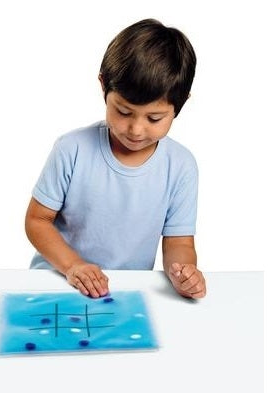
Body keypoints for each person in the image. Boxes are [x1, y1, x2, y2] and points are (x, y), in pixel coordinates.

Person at [24, 18, 206, 299]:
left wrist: (184, 273)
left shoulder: (181, 166)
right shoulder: (71, 149)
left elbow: (178, 242)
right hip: (58, 279)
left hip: (122, 292)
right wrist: (74, 266)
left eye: (154, 118)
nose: (135, 129)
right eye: (123, 111)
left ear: (180, 105)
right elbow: (37, 220)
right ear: (103, 86)